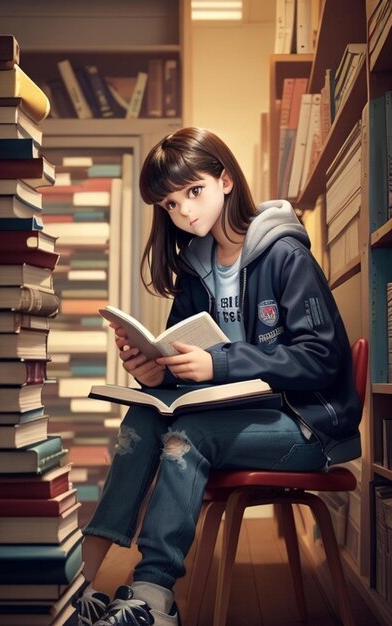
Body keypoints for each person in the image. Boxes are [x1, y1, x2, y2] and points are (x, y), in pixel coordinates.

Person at [75, 127, 362, 626]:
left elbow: (322, 358)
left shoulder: (284, 255)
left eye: (194, 191)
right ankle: (82, 585)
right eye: (170, 204)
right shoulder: (195, 269)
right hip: (234, 419)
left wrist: (222, 363)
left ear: (225, 180)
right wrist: (154, 373)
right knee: (141, 424)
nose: (184, 211)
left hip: (306, 426)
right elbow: (183, 369)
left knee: (189, 435)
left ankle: (153, 598)